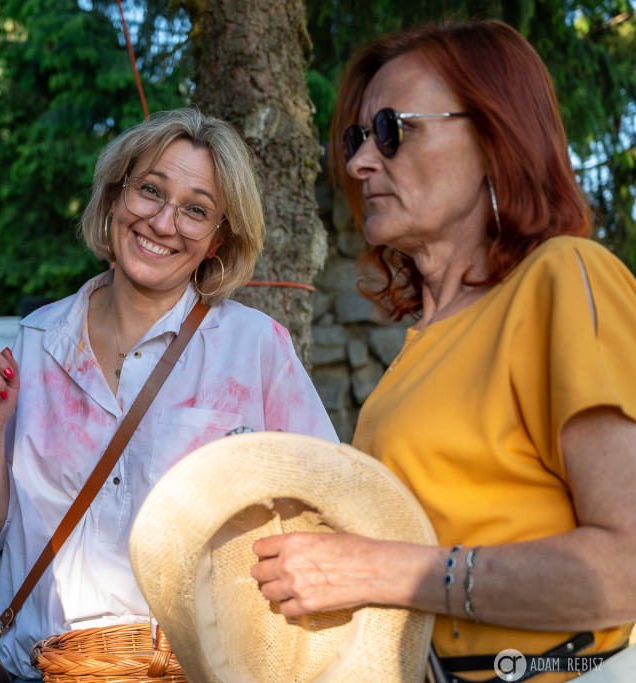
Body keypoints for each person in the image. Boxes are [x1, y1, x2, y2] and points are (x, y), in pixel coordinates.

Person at [250, 20, 636, 682]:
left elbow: (627, 567)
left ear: (494, 137)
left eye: (393, 130)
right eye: (356, 137)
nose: (359, 162)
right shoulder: (419, 346)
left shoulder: (565, 276)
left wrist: (377, 567)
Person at [0, 107, 338, 680]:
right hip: (36, 670)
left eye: (196, 210)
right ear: (113, 199)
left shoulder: (253, 348)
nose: (163, 222)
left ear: (216, 241)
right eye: (150, 191)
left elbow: (324, 510)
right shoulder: (37, 341)